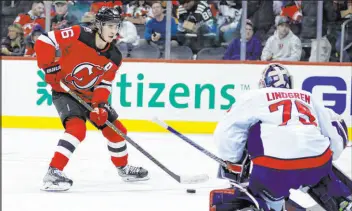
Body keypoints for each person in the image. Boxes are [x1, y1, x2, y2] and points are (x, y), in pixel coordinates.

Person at [35, 7, 149, 192]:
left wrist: (101, 106)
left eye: (116, 26)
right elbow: (44, 40)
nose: (114, 31)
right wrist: (48, 67)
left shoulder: (115, 56)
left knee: (117, 131)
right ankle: (53, 172)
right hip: (65, 91)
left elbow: (104, 84)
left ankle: (124, 169)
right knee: (77, 129)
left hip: (89, 95)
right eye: (110, 26)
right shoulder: (78, 33)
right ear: (99, 25)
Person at [211, 63, 351, 211]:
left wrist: (233, 162)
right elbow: (335, 128)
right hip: (317, 165)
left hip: (273, 171)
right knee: (316, 161)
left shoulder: (253, 97)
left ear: (263, 83)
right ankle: (338, 198)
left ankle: (266, 203)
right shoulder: (307, 96)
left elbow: (226, 132)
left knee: (251, 131)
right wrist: (331, 155)